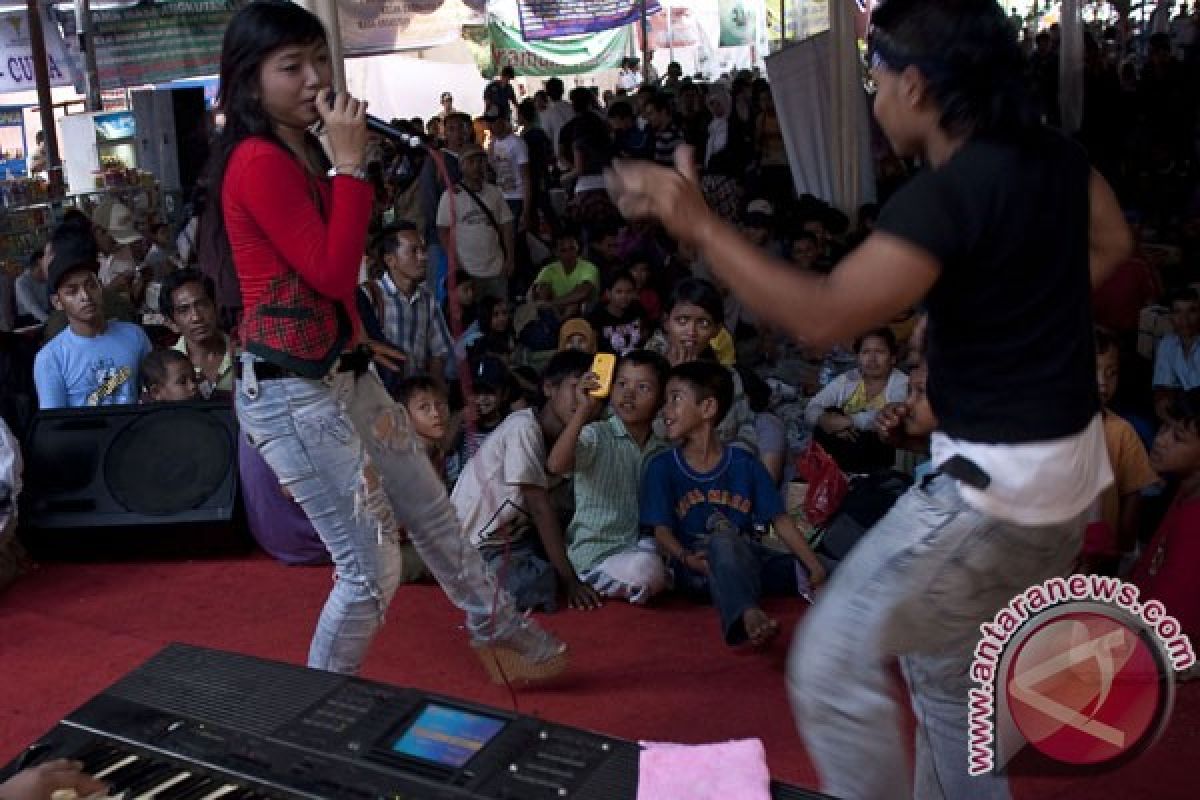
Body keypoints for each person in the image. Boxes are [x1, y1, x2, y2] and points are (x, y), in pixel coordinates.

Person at [606, 0, 1131, 794]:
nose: (872, 96)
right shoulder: (1054, 156)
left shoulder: (944, 197)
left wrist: (703, 227)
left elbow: (822, 317)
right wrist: (996, 315)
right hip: (1069, 484)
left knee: (826, 662)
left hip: (997, 496)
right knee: (947, 675)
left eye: (875, 77)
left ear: (916, 86)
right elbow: (1111, 245)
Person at [207, 0, 565, 682]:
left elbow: (337, 273)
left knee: (432, 509)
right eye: (293, 67)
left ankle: (498, 629)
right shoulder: (257, 161)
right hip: (289, 391)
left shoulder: (302, 145)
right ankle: (318, 709)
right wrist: (349, 168)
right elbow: (334, 268)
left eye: (319, 60)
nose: (315, 79)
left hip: (341, 370)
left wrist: (361, 332)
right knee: (370, 567)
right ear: (250, 82)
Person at [641, 360, 825, 646]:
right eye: (666, 401)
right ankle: (748, 614)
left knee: (827, 567)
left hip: (748, 560)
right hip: (697, 568)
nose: (666, 410)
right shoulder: (662, 466)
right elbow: (661, 533)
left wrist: (815, 568)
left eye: (675, 399)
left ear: (708, 409)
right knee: (722, 540)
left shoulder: (744, 463)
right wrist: (686, 558)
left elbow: (781, 521)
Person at [451, 350, 604, 612]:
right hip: (477, 546)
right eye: (578, 388)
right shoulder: (522, 427)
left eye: (593, 393)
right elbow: (540, 508)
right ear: (548, 388)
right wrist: (570, 581)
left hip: (515, 541)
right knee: (531, 584)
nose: (584, 400)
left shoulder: (570, 441)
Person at [547, 350, 671, 603]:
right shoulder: (597, 434)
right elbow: (556, 464)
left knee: (660, 550)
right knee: (648, 569)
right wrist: (583, 410)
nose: (628, 394)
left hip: (636, 545)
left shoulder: (661, 449)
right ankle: (597, 578)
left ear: (661, 400)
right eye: (621, 384)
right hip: (595, 553)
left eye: (643, 387)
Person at [33, 226, 152, 409]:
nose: (85, 296)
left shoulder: (135, 336)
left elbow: (153, 394)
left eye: (91, 286)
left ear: (100, 287)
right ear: (58, 302)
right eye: (72, 291)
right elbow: (55, 426)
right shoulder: (51, 358)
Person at [1130, 388, 1200, 669]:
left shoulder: (1196, 523)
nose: (1159, 441)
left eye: (1178, 438)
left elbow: (1173, 627)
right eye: (1164, 428)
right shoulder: (1184, 492)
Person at [1091, 328, 1159, 573]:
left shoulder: (1122, 432)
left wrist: (1124, 548)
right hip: (1057, 553)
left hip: (1102, 556)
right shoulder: (1052, 428)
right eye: (1093, 371)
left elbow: (1132, 495)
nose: (1103, 382)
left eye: (1111, 373)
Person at [357, 222, 452, 392]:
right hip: (377, 397)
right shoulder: (370, 296)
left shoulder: (427, 300)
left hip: (412, 397)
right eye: (413, 251)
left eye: (423, 250)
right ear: (390, 260)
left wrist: (429, 393)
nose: (423, 257)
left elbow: (439, 353)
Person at [804, 328, 910, 473]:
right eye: (866, 352)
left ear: (893, 358)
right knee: (828, 414)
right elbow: (812, 407)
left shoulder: (902, 383)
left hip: (880, 455)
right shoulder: (849, 379)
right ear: (858, 357)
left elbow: (892, 415)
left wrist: (849, 422)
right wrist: (825, 420)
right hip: (843, 448)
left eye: (879, 352)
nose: (872, 359)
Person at [437, 144, 513, 303]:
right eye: (471, 162)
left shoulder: (494, 192)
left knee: (499, 315)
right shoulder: (451, 195)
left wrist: (510, 258)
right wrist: (455, 263)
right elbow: (443, 231)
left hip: (496, 269)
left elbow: (507, 225)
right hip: (468, 271)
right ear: (462, 166)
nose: (477, 166)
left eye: (481, 161)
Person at [160, 268, 234, 397]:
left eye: (203, 305)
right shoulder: (164, 369)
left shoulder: (244, 354)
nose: (196, 317)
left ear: (216, 307)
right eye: (184, 310)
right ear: (171, 323)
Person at [1153, 287, 1200, 419]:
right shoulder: (1166, 344)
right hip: (1179, 417)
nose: (1184, 319)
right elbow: (1162, 388)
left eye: (1192, 311)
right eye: (1177, 312)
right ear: (1170, 317)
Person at [532, 228, 599, 316]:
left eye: (572, 248)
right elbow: (541, 298)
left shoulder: (589, 267)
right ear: (555, 252)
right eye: (563, 250)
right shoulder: (548, 270)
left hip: (586, 315)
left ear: (578, 247)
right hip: (556, 313)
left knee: (573, 306)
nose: (569, 254)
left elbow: (582, 293)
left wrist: (551, 303)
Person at [587, 269, 644, 355]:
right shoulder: (596, 317)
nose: (624, 296)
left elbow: (645, 336)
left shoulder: (637, 310)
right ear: (608, 293)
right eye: (619, 292)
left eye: (629, 291)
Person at [14, 245, 50, 326]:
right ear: (33, 267)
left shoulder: (46, 277)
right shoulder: (21, 282)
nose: (45, 273)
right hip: (29, 319)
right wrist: (49, 322)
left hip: (46, 314)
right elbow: (32, 306)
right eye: (41, 270)